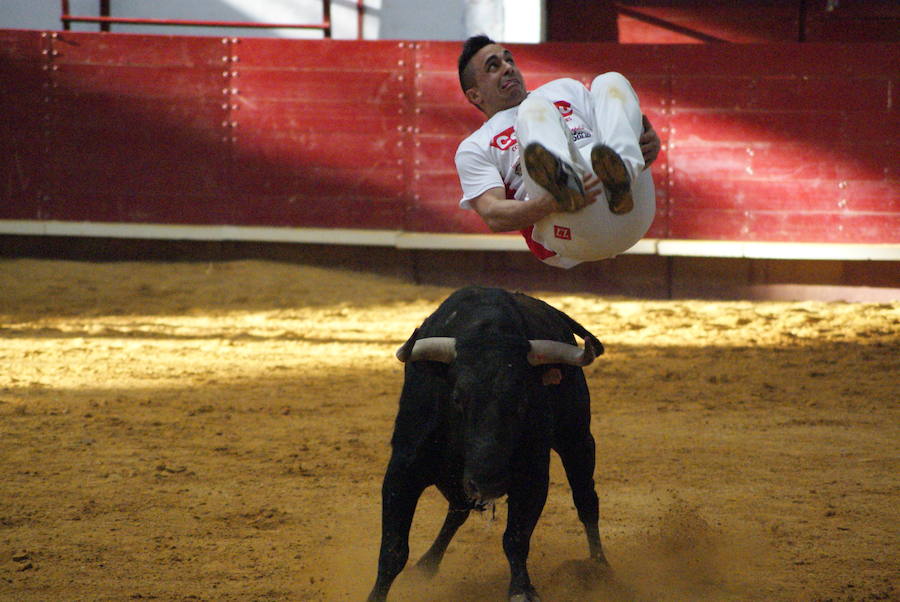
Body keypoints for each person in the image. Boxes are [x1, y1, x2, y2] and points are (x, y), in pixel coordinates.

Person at [455, 35, 662, 268]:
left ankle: (623, 172)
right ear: (475, 95)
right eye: (493, 66)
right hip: (571, 230)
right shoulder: (475, 146)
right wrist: (549, 204)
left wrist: (644, 142)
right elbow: (493, 214)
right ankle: (567, 188)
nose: (508, 68)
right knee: (532, 108)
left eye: (509, 60)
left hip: (632, 209)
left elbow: (613, 123)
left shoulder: (565, 89)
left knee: (610, 80)